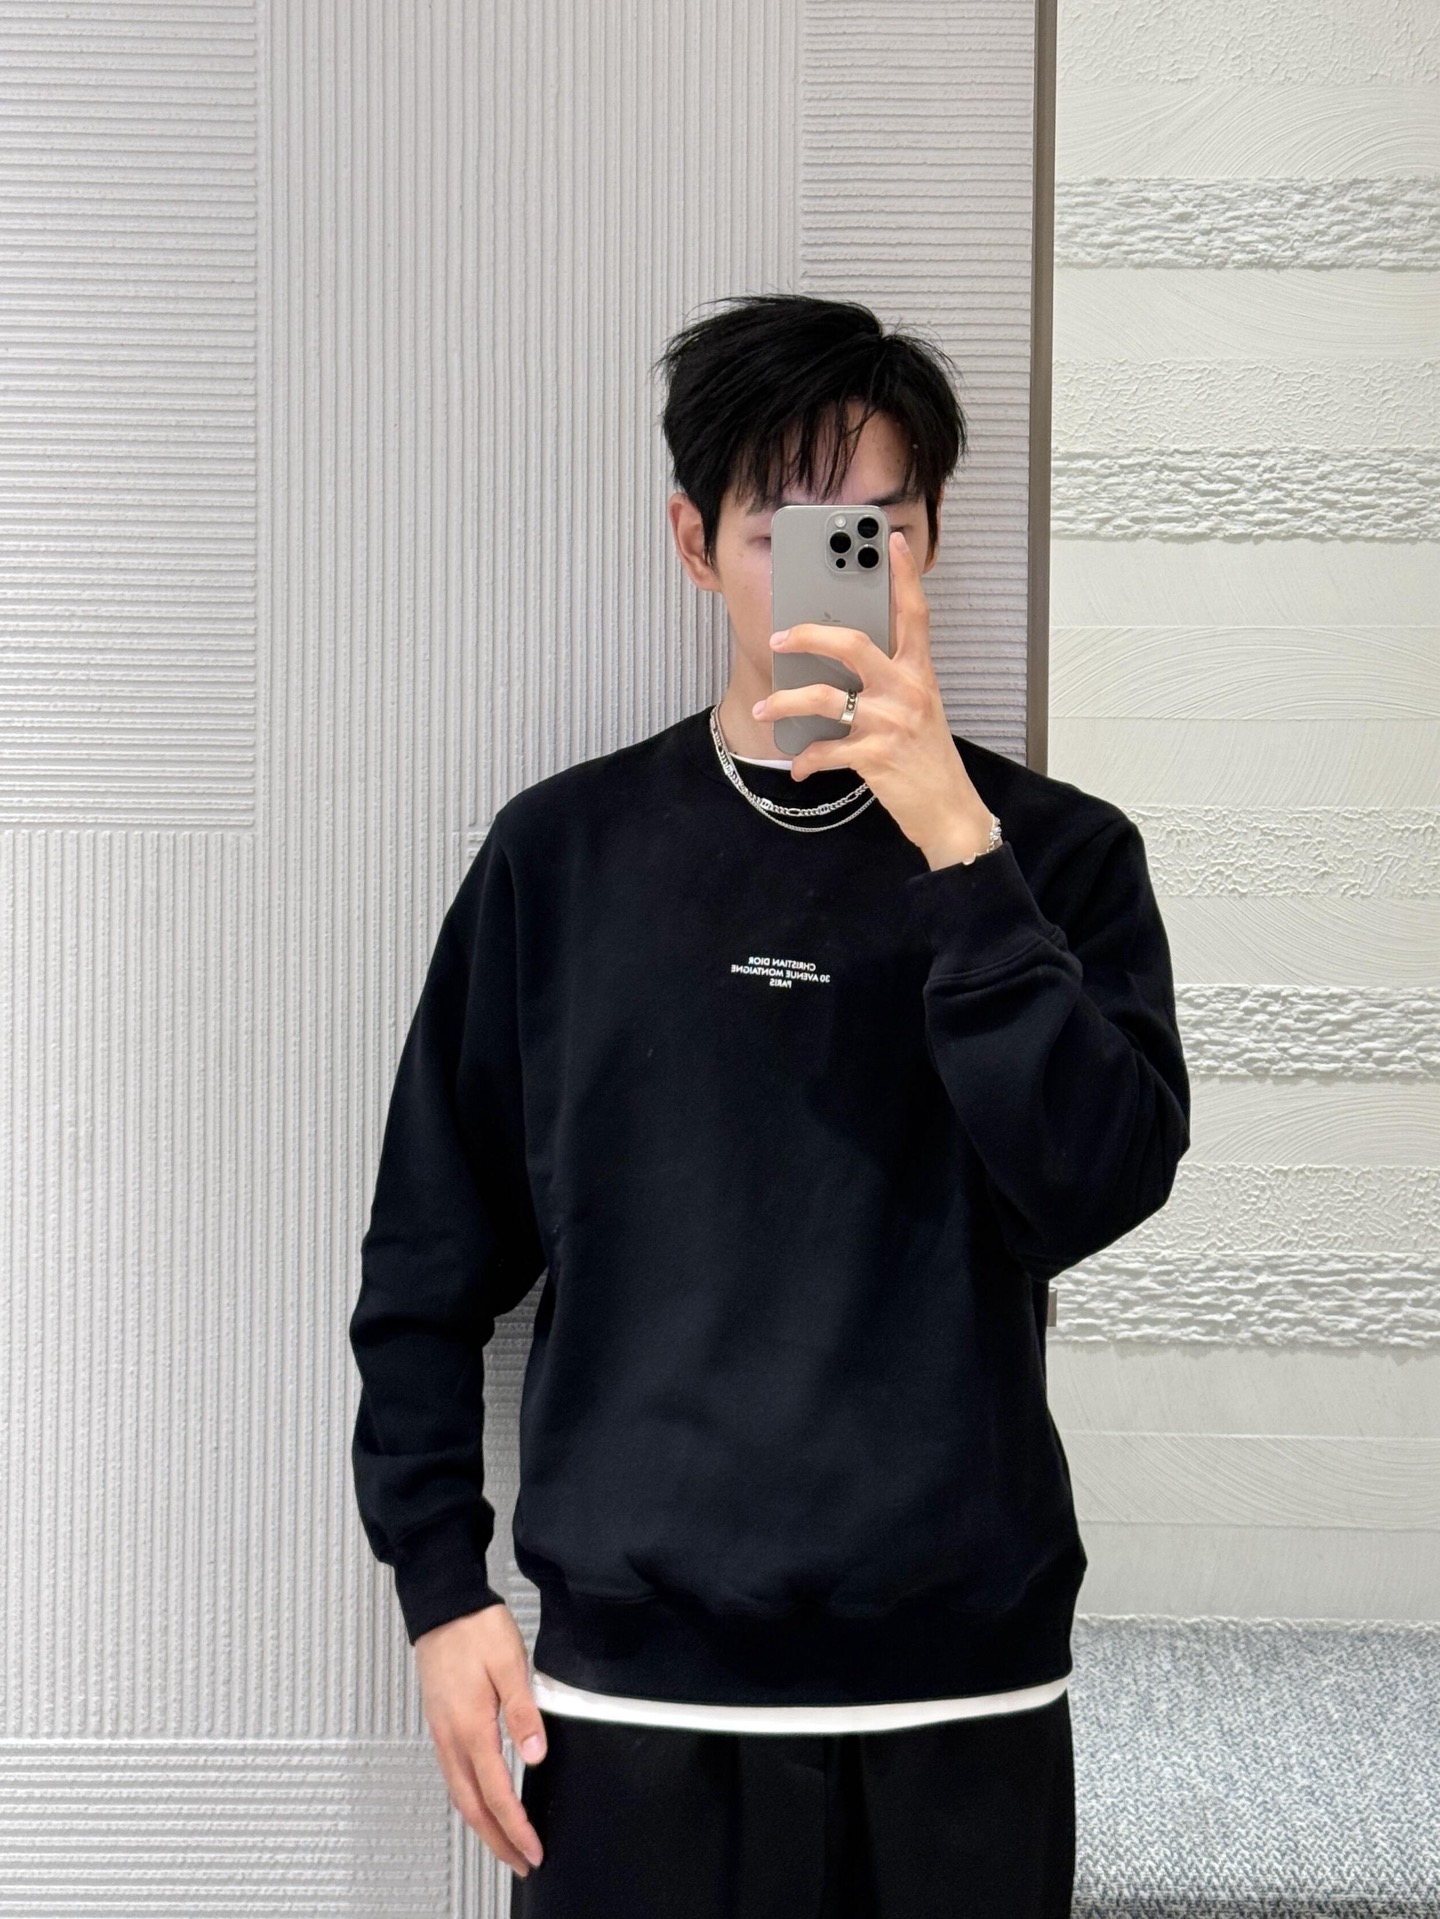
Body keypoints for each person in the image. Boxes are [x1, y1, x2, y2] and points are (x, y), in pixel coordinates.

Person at [347, 292, 1191, 1916]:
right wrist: (442, 1591)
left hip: (962, 1694)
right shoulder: (562, 861)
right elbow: (426, 1268)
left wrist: (958, 848)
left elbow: (1098, 1183)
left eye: (877, 530)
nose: (836, 572)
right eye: (785, 534)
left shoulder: (1060, 859)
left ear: (931, 540)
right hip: (631, 1705)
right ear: (694, 542)